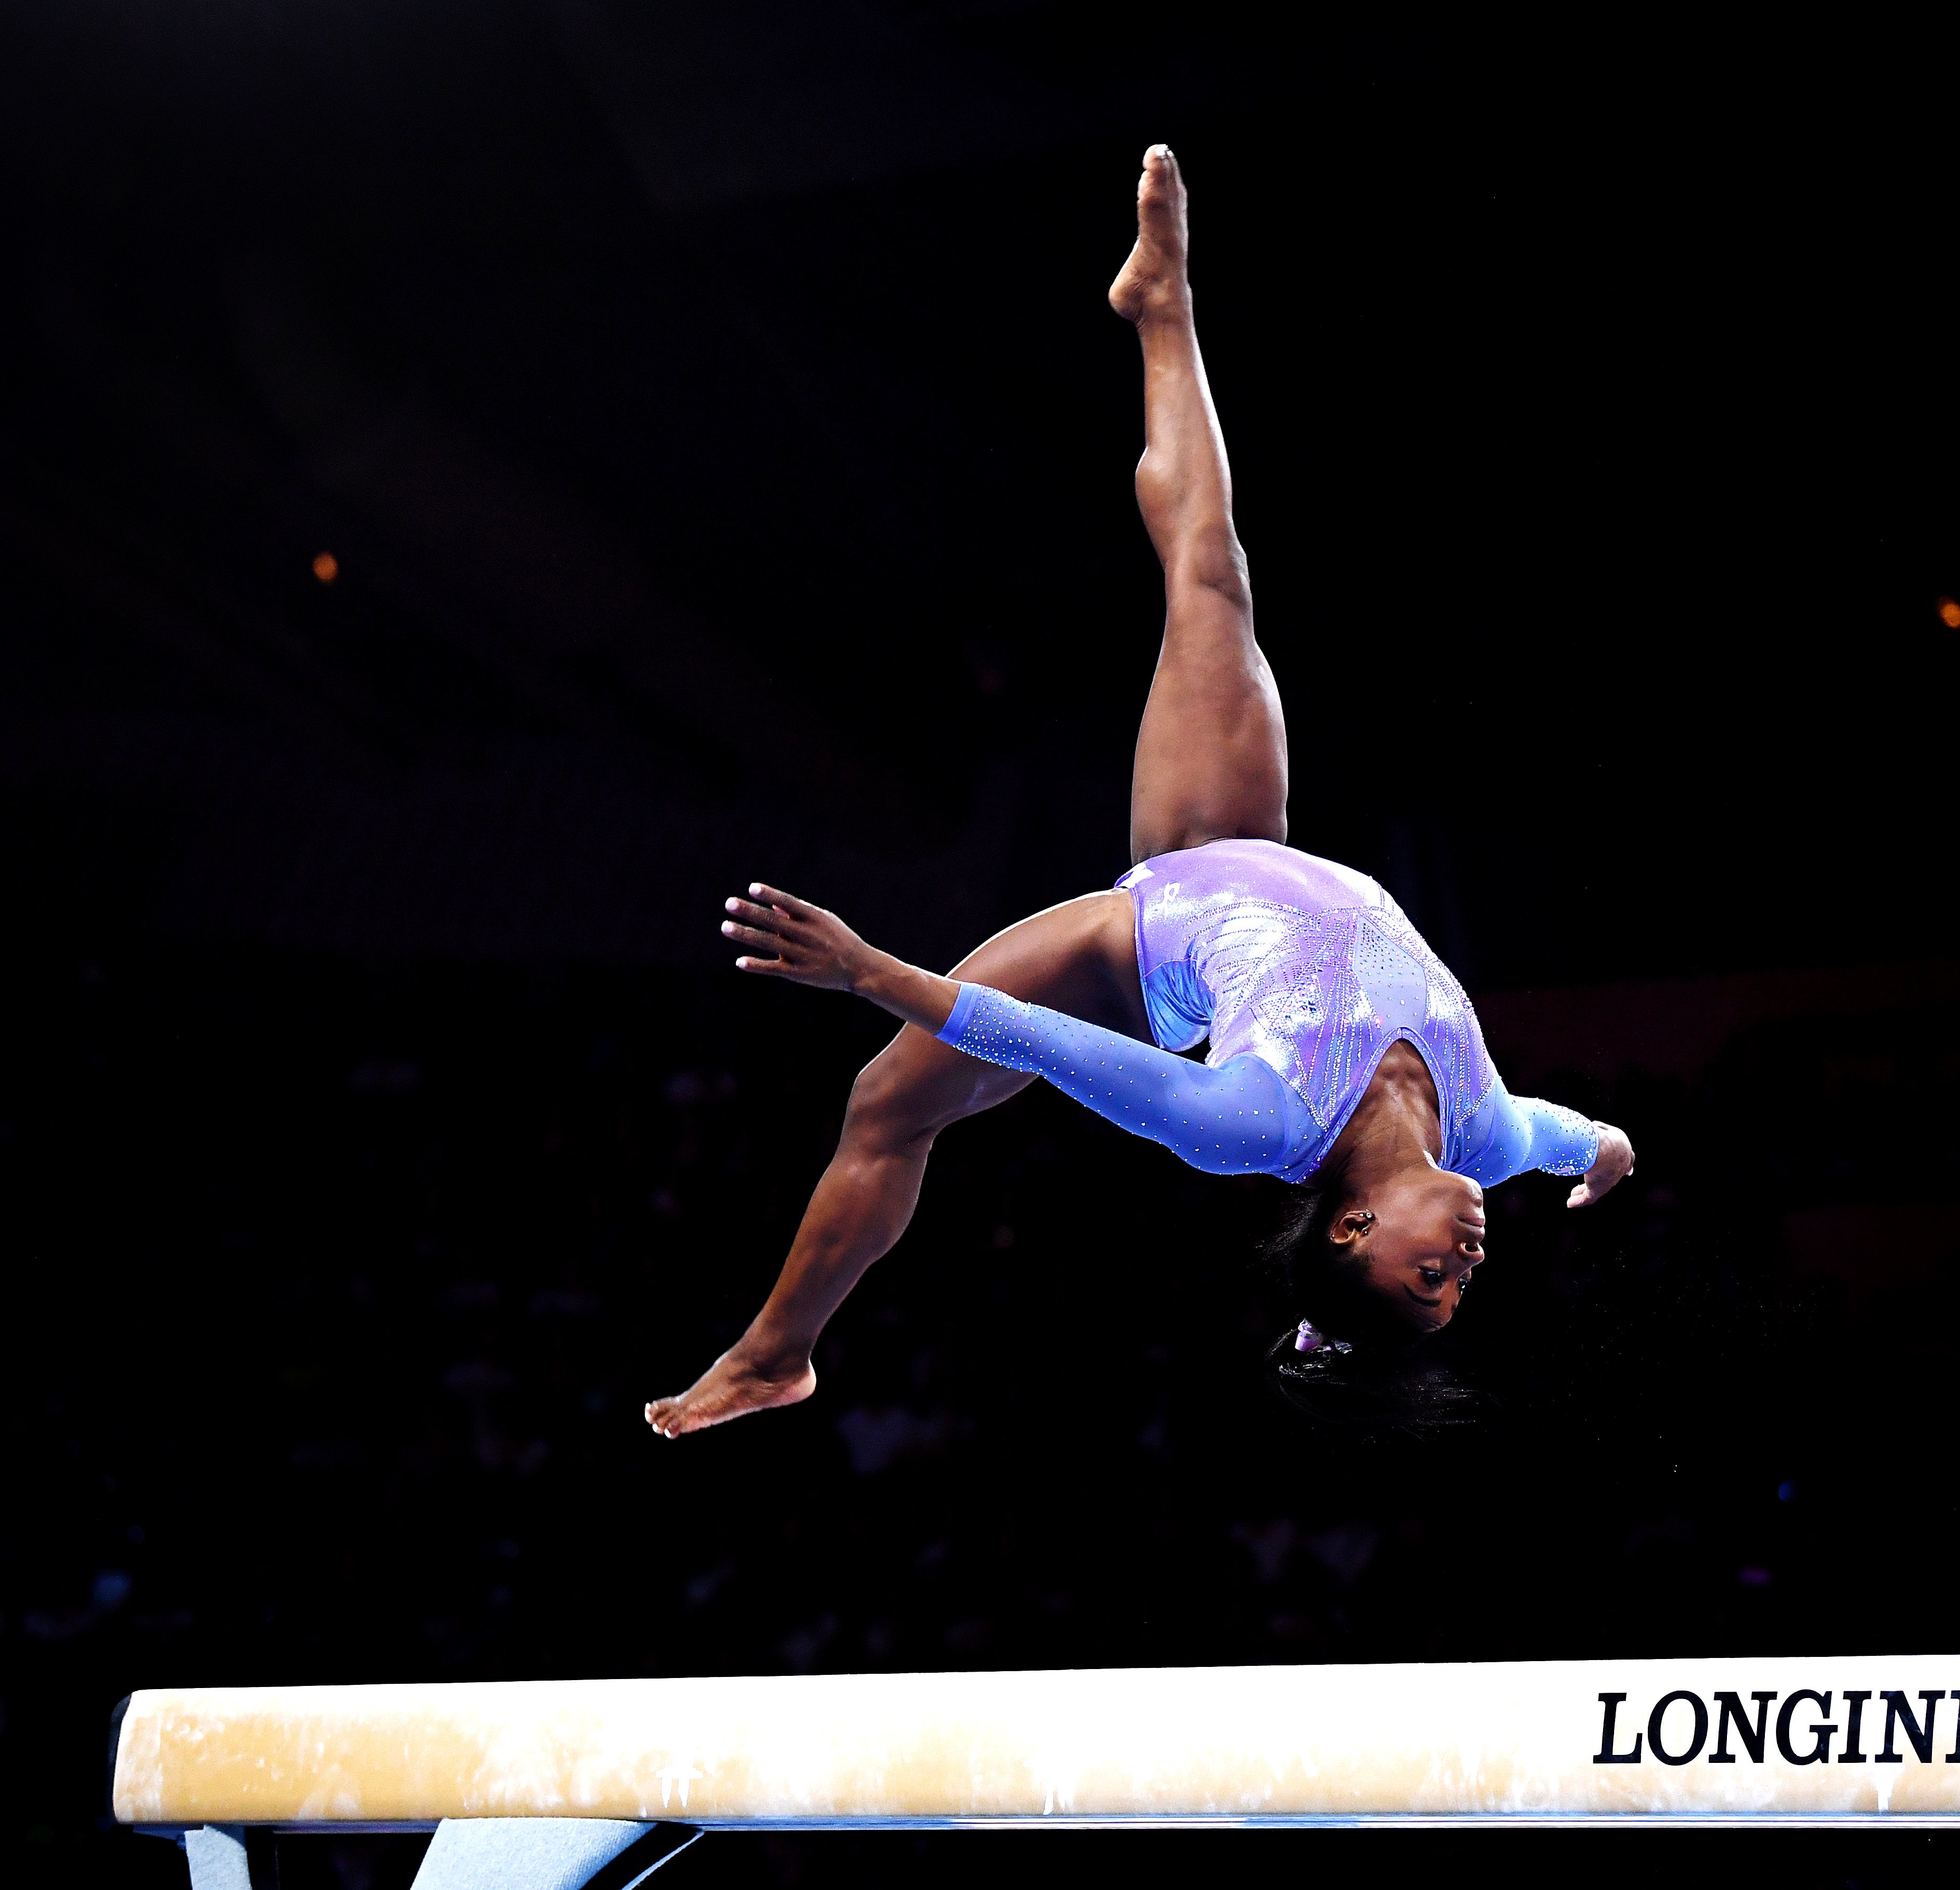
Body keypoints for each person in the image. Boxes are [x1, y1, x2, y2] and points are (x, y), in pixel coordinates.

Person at [645, 147, 1634, 1442]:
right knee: (1212, 574)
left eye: (1427, 1278)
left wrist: (868, 968)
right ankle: (1161, 306)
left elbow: (1036, 1041)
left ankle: (775, 1354)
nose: (1467, 1266)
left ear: (1350, 1225)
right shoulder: (1492, 1134)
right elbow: (1580, 1138)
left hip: (1138, 943)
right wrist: (1605, 1150)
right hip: (1239, 844)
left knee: (889, 1101)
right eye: (1462, 1288)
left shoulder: (1253, 1125)